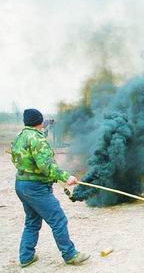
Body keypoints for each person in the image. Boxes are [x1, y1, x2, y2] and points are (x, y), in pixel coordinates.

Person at [10, 109, 90, 268]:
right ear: (39, 121)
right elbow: (46, 166)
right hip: (36, 188)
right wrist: (66, 177)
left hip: (21, 185)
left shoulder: (19, 137)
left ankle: (26, 257)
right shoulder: (37, 139)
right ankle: (70, 255)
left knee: (32, 222)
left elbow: (21, 162)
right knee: (58, 219)